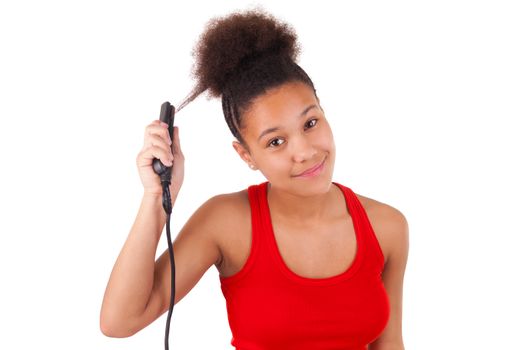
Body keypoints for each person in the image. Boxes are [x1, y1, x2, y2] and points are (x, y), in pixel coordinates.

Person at [100, 8, 409, 350]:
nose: (304, 152)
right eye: (275, 142)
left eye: (310, 123)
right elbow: (119, 322)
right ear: (246, 155)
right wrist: (157, 199)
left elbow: (390, 345)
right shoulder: (226, 222)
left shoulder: (387, 226)